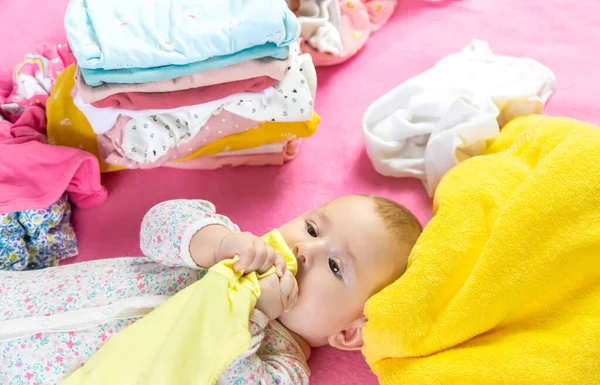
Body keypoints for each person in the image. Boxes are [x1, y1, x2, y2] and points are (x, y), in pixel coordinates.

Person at [0, 195, 422, 385]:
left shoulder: (283, 369)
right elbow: (159, 224)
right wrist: (216, 242)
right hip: (18, 294)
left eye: (334, 266)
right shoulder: (227, 252)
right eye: (311, 228)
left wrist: (252, 312)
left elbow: (214, 372)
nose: (304, 249)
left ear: (350, 331)